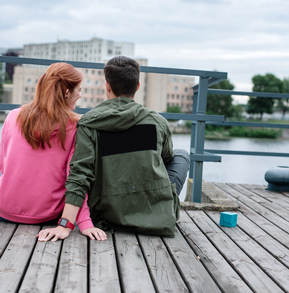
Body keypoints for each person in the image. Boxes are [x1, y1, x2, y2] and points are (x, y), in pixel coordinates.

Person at [37, 56, 190, 241]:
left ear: (107, 86)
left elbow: (79, 174)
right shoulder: (158, 122)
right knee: (181, 155)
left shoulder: (89, 123)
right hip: (156, 217)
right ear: (138, 86)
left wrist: (65, 225)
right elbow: (166, 157)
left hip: (106, 215)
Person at [0, 62, 107, 241]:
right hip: (50, 215)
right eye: (79, 90)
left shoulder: (13, 116)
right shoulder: (75, 126)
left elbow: (4, 166)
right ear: (66, 92)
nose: (80, 95)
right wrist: (84, 221)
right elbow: (76, 176)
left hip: (5, 211)